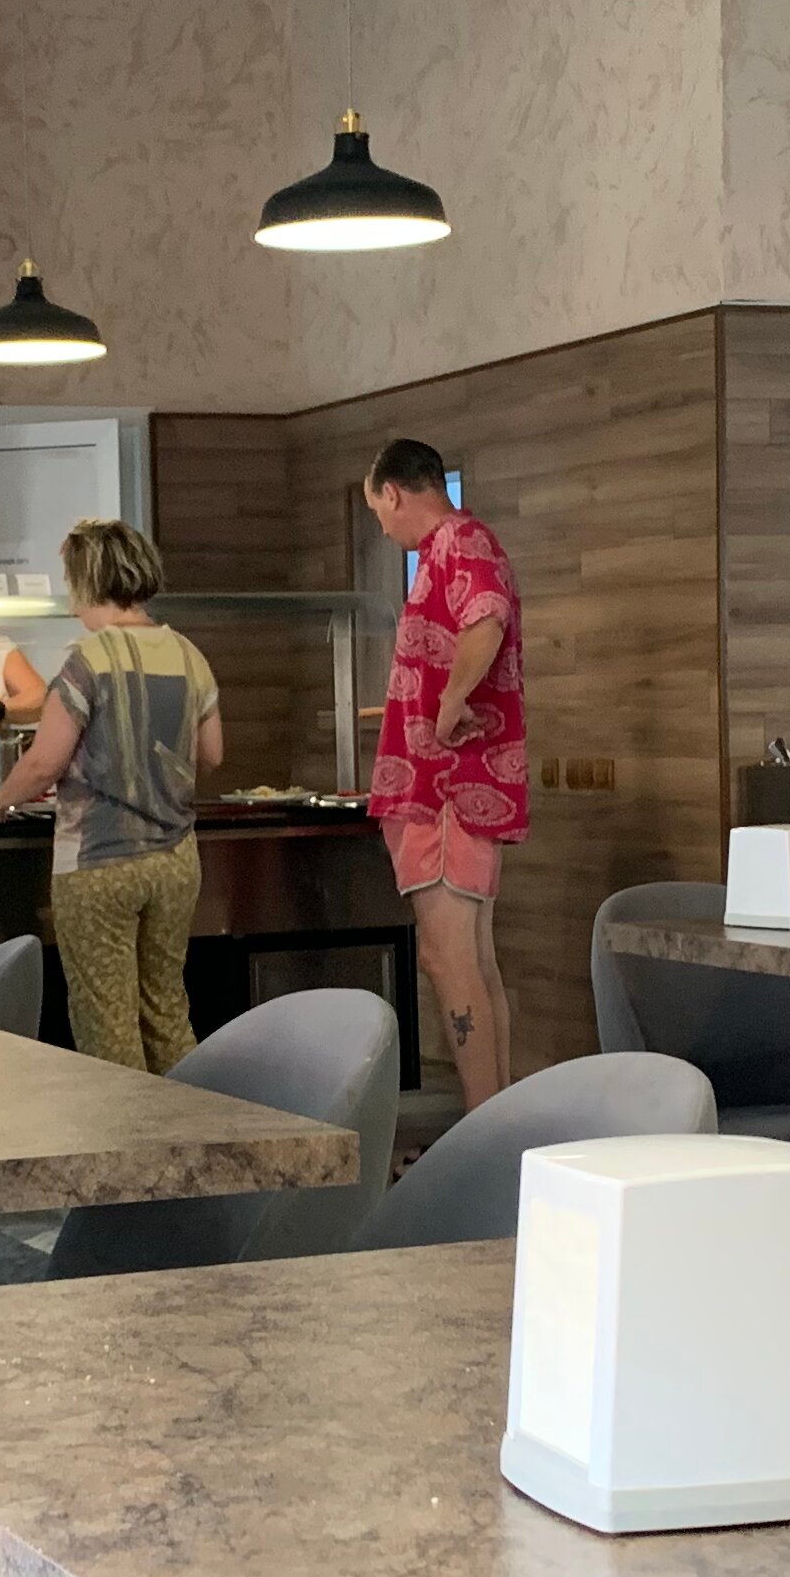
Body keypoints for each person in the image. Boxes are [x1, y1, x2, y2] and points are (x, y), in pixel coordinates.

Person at [0, 519, 221, 1072]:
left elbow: (44, 764)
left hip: (99, 861)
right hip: (176, 861)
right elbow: (211, 754)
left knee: (107, 1022)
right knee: (166, 1011)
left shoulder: (88, 661)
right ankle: (192, 1120)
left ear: (86, 580)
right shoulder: (188, 655)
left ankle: (126, 1128)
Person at [364, 439, 527, 1106]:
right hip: (452, 786)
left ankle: (484, 1127)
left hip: (447, 789)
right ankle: (495, 1120)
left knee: (450, 958)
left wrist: (450, 703)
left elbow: (486, 620)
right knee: (469, 958)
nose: (383, 527)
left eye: (379, 511)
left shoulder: (459, 540)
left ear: (394, 493)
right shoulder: (452, 548)